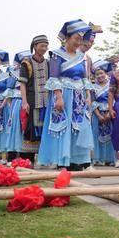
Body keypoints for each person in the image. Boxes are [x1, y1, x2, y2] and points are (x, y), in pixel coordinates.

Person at [39, 19, 94, 170]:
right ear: (67, 38)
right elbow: (54, 77)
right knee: (63, 126)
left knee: (78, 127)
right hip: (63, 94)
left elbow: (85, 78)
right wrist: (58, 97)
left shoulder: (82, 57)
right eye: (76, 38)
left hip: (79, 97)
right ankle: (63, 160)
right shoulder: (57, 55)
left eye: (80, 39)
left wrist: (88, 96)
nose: (78, 42)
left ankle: (78, 160)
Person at [18, 35, 49, 163]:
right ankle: (27, 161)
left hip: (46, 101)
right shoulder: (26, 63)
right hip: (32, 101)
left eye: (46, 46)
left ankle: (43, 159)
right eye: (42, 45)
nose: (44, 48)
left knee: (45, 130)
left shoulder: (48, 63)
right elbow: (22, 84)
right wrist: (24, 102)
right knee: (30, 130)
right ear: (35, 46)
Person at [5, 51, 32, 161]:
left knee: (28, 128)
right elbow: (9, 88)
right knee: (17, 127)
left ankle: (27, 157)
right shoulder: (14, 72)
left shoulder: (33, 71)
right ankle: (13, 155)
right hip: (17, 102)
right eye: (24, 59)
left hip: (31, 101)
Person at [91, 61, 115, 166]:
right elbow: (92, 102)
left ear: (105, 74)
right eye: (97, 74)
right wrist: (99, 115)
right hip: (98, 114)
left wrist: (110, 112)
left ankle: (110, 159)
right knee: (97, 135)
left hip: (110, 112)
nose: (100, 76)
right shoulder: (93, 87)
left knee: (111, 134)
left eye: (101, 73)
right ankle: (98, 158)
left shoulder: (111, 85)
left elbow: (115, 99)